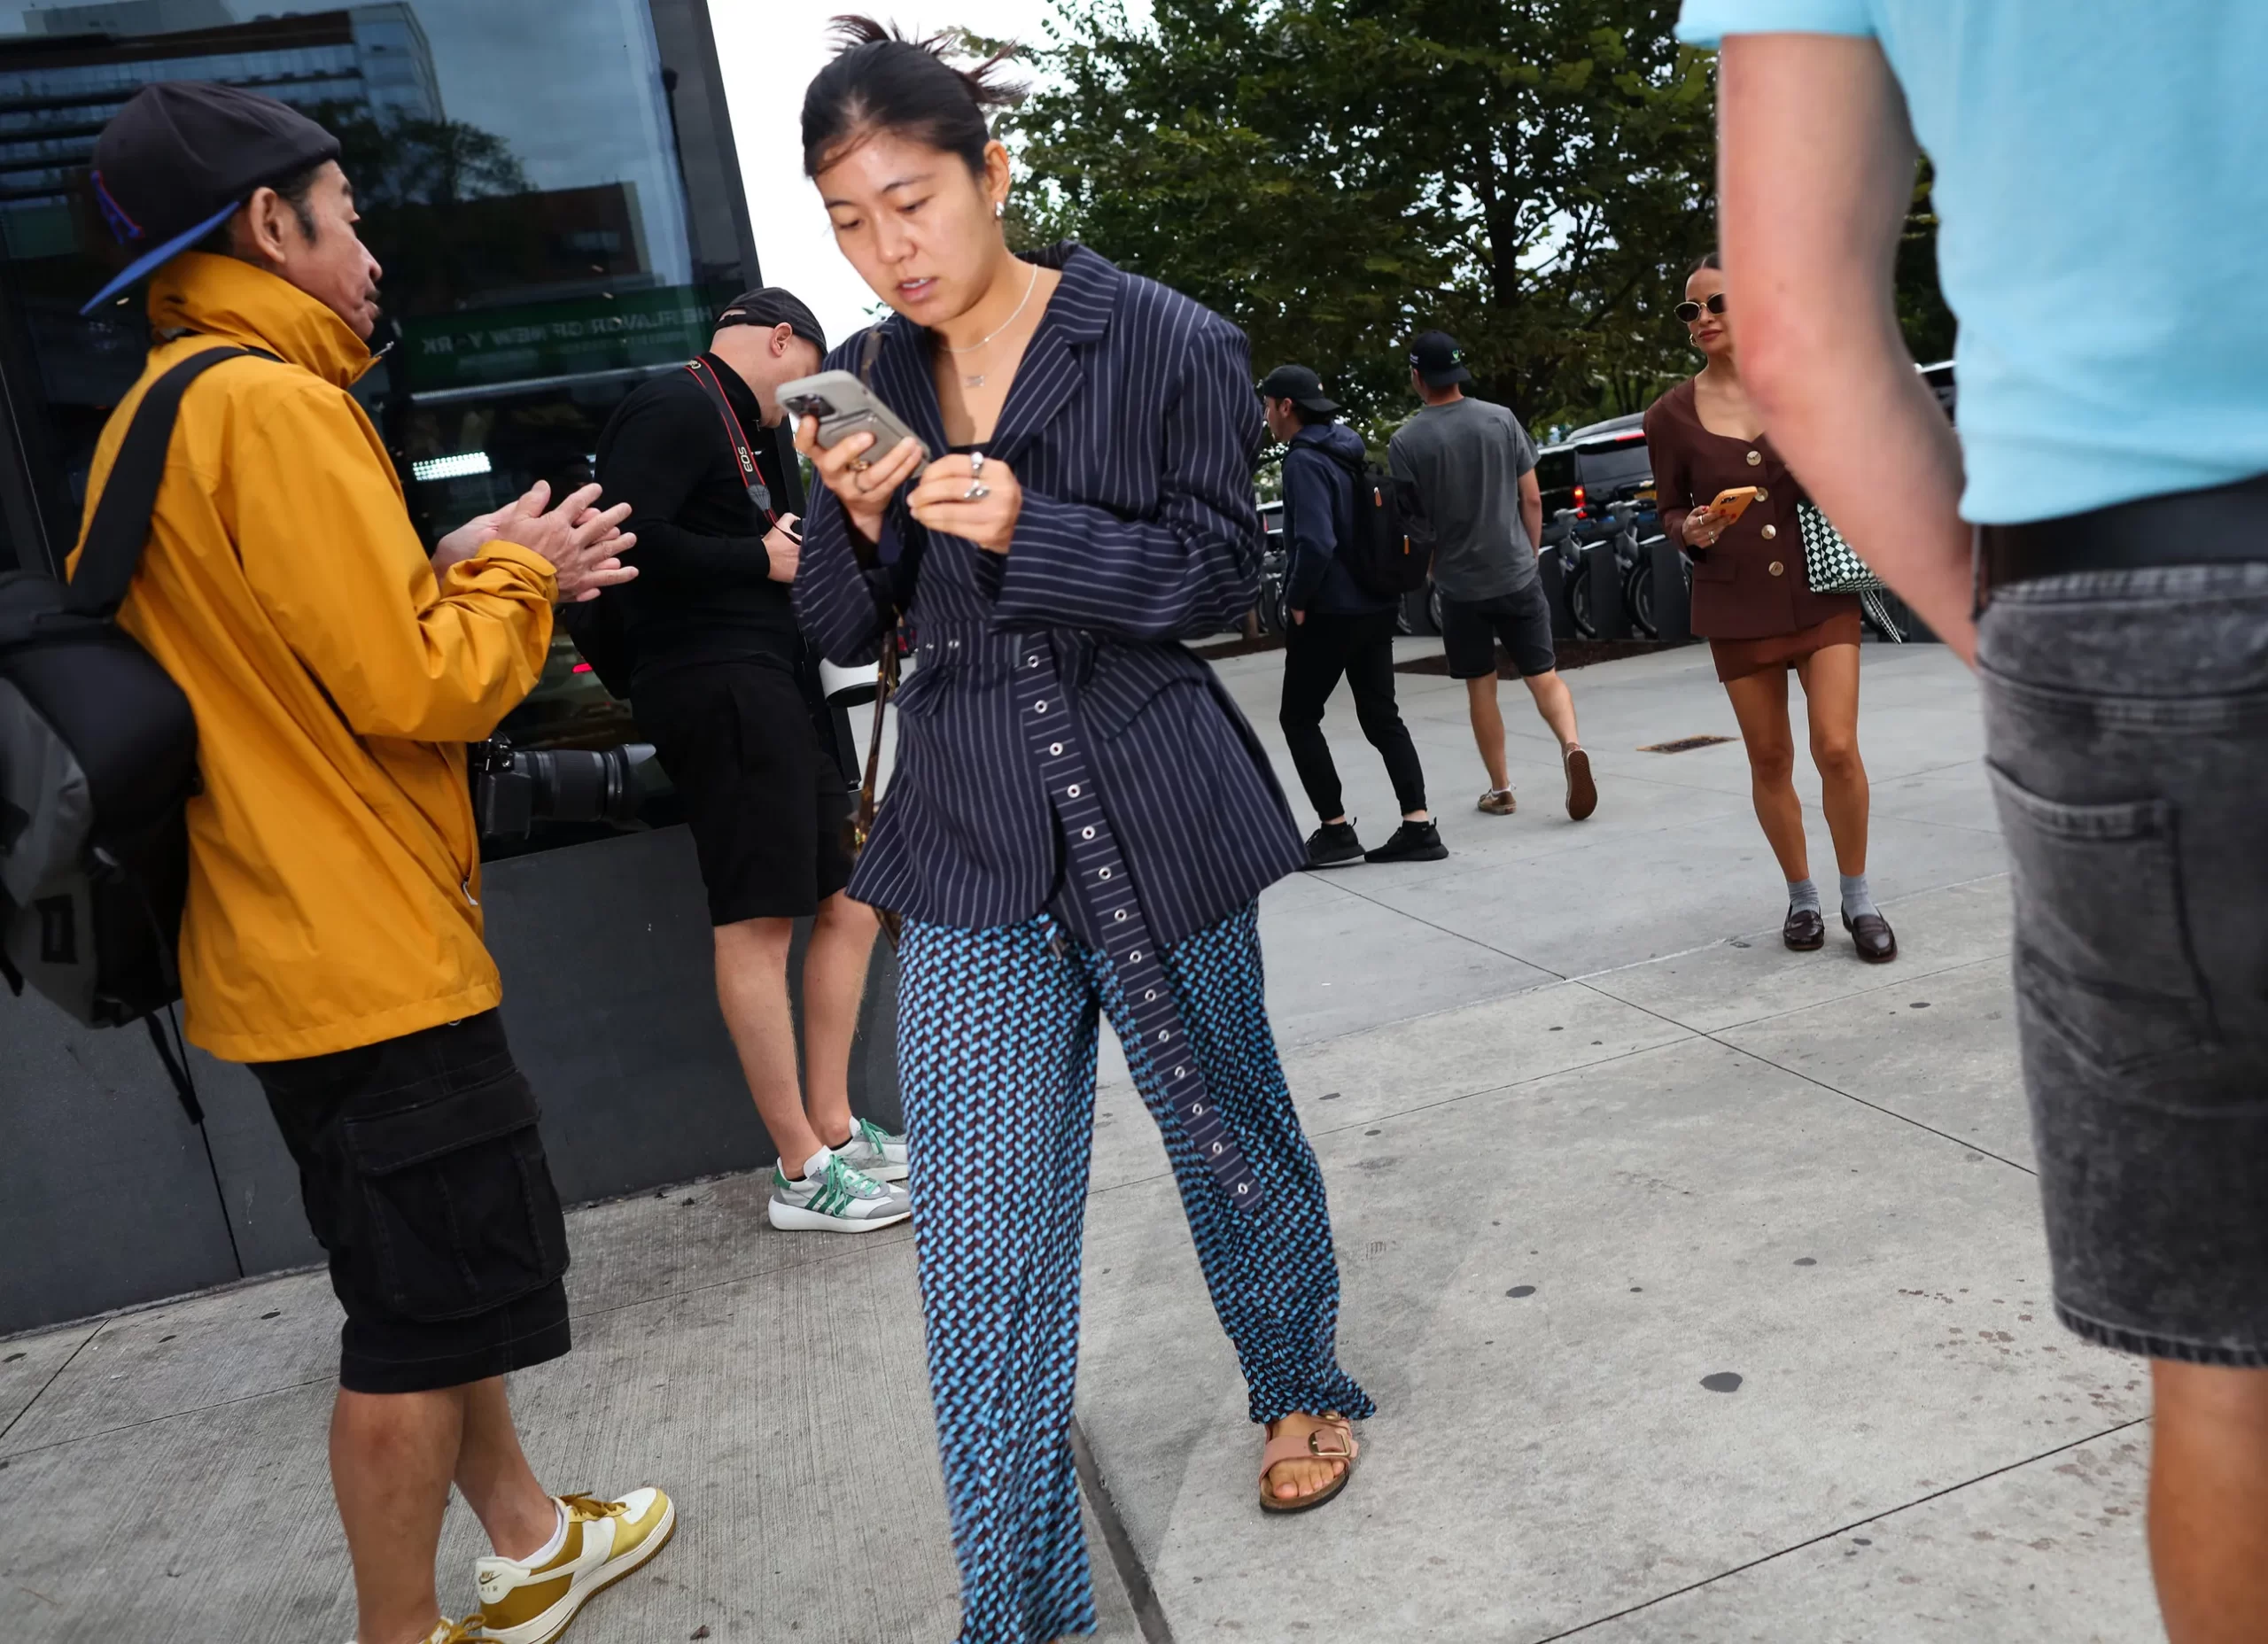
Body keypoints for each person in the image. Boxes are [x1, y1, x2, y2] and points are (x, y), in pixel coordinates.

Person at [1689, 4, 2268, 1639]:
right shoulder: (1670, 408)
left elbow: (1802, 334)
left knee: (2231, 1360)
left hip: (2132, 575)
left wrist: (2011, 628)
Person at [792, 21, 1373, 1642]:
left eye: (910, 201)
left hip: (1153, 802)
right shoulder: (862, 372)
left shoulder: (1167, 338)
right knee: (978, 1245)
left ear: (992, 171)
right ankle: (1023, 1609)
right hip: (973, 833)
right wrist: (855, 521)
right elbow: (845, 628)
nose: (886, 250)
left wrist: (1035, 527)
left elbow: (1222, 578)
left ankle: (1298, 1379)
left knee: (1227, 1131)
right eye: (848, 219)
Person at [74, 83, 671, 1644]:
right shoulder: (275, 406)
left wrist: (454, 564)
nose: (372, 253)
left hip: (273, 947)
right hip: (364, 956)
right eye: (347, 216)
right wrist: (525, 587)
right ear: (270, 225)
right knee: (412, 1330)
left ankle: (532, 1537)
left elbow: (273, 653)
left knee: (425, 1288)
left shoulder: (157, 410)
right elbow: (420, 688)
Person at [596, 289, 910, 1235]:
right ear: (781, 338)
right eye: (806, 367)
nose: (805, 395)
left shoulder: (742, 424)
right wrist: (755, 560)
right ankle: (800, 1166)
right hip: (714, 679)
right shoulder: (678, 401)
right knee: (756, 919)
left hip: (769, 678)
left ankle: (833, 1123)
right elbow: (621, 535)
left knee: (848, 896)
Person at [1643, 253, 1894, 962]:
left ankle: (1859, 898)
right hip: (1734, 602)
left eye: (1716, 302)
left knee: (1837, 748)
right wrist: (1688, 530)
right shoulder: (1669, 415)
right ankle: (1803, 900)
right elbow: (1666, 507)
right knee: (1771, 758)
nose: (1703, 319)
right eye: (1689, 310)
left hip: (1820, 590)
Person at [1389, 331, 1598, 822]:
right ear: (1459, 373)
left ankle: (1502, 789)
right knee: (1543, 677)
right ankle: (1571, 746)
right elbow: (1531, 498)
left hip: (1461, 586)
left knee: (1481, 688)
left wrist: (1437, 570)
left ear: (1418, 376)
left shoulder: (1406, 442)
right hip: (1516, 573)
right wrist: (1528, 553)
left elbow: (1415, 526)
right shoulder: (1502, 420)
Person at [1260, 361, 1442, 867]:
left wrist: (1296, 599)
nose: (1267, 416)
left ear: (1286, 407)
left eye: (1268, 406)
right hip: (1376, 603)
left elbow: (1316, 542)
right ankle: (1418, 825)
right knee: (1382, 716)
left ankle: (1336, 831)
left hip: (1329, 610)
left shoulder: (1303, 462)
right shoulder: (1347, 451)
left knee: (1297, 717)